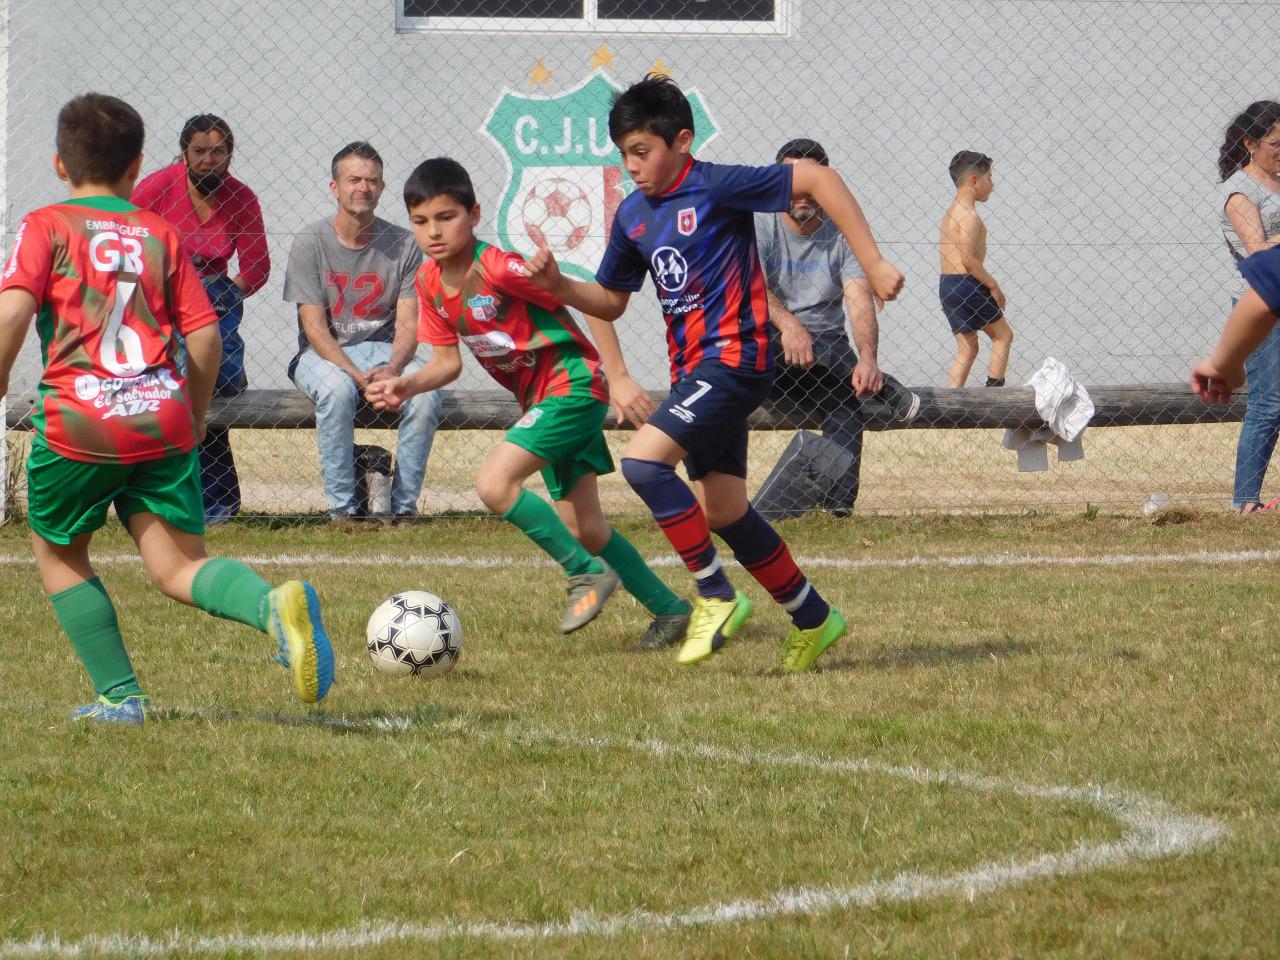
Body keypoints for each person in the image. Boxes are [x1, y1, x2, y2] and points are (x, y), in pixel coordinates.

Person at [524, 74, 905, 673]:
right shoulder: (633, 216)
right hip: (693, 373)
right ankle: (814, 617)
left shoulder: (716, 185)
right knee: (723, 509)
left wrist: (874, 260)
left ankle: (714, 594)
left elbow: (819, 179)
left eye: (642, 152)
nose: (633, 167)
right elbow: (611, 300)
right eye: (624, 155)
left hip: (736, 359)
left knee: (644, 464)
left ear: (682, 141)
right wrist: (559, 287)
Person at [0, 94, 333, 725]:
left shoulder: (45, 226)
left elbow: (13, 312)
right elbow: (205, 338)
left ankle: (121, 697)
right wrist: (197, 413)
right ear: (137, 169)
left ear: (59, 165)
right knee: (180, 565)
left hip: (80, 423)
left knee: (61, 552)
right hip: (163, 418)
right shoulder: (160, 233)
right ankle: (270, 606)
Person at [366, 158, 692, 647]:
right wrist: (403, 384)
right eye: (421, 221)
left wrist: (619, 376)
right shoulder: (431, 284)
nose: (433, 231)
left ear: (474, 214)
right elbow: (446, 363)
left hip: (574, 388)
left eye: (446, 217)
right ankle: (670, 610)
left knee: (495, 483)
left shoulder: (498, 267)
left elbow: (590, 299)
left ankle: (585, 574)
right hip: (544, 400)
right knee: (584, 526)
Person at [755, 137, 920, 516]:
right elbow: (753, 290)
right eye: (792, 181)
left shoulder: (841, 231)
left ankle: (837, 509)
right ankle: (888, 389)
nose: (802, 192)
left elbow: (859, 297)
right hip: (770, 348)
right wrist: (789, 325)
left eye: (811, 182)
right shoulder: (758, 222)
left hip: (825, 357)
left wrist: (868, 358)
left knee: (847, 404)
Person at [283, 141, 441, 523]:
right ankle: (343, 510)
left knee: (427, 392)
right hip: (325, 354)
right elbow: (315, 329)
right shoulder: (310, 242)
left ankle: (403, 509)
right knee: (337, 391)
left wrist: (394, 370)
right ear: (334, 187)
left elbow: (409, 324)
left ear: (382, 188)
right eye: (353, 179)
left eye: (372, 180)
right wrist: (356, 377)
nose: (363, 188)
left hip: (385, 351)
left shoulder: (404, 243)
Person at [132, 113, 269, 524]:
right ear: (184, 153)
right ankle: (210, 503)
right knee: (195, 387)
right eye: (200, 151)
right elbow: (124, 234)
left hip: (214, 304)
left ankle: (203, 503)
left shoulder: (242, 198)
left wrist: (227, 292)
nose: (209, 159)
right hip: (161, 299)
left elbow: (257, 265)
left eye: (219, 151)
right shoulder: (157, 187)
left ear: (230, 154)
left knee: (190, 381)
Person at [1217, 101, 1280, 514]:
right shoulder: (1240, 192)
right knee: (1269, 402)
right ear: (1250, 144)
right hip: (1262, 307)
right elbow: (1256, 253)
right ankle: (1245, 503)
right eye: (1276, 143)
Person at [939, 151, 1014, 387]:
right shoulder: (969, 215)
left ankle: (951, 404)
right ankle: (994, 397)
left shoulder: (950, 212)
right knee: (1003, 336)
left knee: (968, 348)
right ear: (974, 181)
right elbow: (968, 260)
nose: (992, 184)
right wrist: (993, 286)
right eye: (989, 178)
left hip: (948, 284)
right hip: (968, 284)